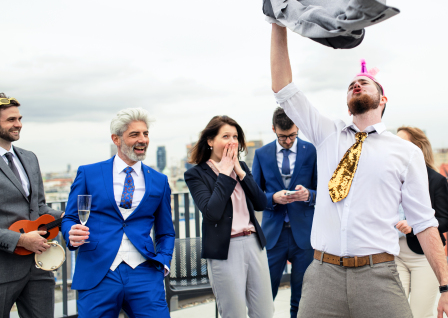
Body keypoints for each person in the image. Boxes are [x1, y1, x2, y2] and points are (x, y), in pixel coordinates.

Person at [269, 24, 448, 318]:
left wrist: (447, 288)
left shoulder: (405, 152)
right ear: (348, 105)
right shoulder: (326, 133)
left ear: (383, 100)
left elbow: (424, 222)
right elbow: (283, 88)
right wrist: (278, 23)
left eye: (365, 83)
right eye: (351, 85)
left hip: (378, 275)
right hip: (323, 275)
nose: (356, 85)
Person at [62, 108, 174, 318]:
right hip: (98, 271)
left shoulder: (159, 180)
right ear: (116, 139)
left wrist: (163, 263)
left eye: (145, 133)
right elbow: (70, 217)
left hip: (145, 271)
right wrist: (70, 232)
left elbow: (166, 231)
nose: (143, 140)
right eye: (134, 134)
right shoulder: (88, 173)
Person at [184, 116, 273, 318]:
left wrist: (241, 173)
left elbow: (261, 203)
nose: (232, 141)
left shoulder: (242, 167)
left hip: (254, 244)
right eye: (225, 136)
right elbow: (212, 212)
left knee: (265, 312)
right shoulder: (196, 174)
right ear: (210, 141)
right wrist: (224, 174)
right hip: (225, 249)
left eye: (235, 136)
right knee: (234, 314)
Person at [0, 93, 64, 318]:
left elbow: (39, 208)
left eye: (19, 118)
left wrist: (68, 217)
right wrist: (20, 240)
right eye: (10, 120)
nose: (18, 124)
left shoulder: (29, 158)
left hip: (38, 266)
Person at [252, 107, 318, 318]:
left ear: (298, 127)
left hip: (304, 236)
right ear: (273, 129)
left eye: (292, 136)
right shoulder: (261, 154)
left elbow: (323, 191)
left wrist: (309, 194)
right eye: (282, 137)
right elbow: (255, 195)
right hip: (273, 236)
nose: (288, 141)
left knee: (302, 298)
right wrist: (272, 198)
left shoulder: (312, 150)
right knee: (264, 295)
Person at [395, 126, 448, 318]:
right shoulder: (392, 177)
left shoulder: (436, 180)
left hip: (424, 256)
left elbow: (446, 221)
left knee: (420, 314)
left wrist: (414, 227)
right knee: (395, 312)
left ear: (417, 147)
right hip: (394, 253)